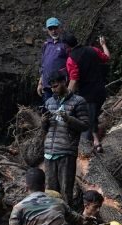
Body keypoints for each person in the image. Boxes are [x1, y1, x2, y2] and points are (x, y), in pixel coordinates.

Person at [42, 71, 88, 205]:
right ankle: (52, 218)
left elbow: (85, 125)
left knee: (65, 190)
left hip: (66, 152)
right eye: (51, 87)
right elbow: (45, 129)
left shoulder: (78, 101)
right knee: (50, 191)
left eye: (56, 86)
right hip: (49, 152)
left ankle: (67, 220)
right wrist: (44, 122)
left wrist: (68, 118)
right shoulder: (49, 102)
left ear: (64, 82)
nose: (53, 89)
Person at [62, 33, 110, 155]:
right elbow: (106, 57)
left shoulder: (71, 59)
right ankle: (93, 142)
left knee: (88, 119)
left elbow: (73, 80)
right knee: (92, 116)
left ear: (67, 46)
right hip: (101, 90)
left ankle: (92, 145)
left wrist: (66, 97)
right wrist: (103, 45)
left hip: (88, 94)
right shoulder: (92, 49)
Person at [37, 18, 69, 106]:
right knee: (48, 111)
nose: (53, 31)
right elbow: (43, 66)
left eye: (55, 28)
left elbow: (71, 64)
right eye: (50, 29)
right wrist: (40, 83)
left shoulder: (65, 44)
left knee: (62, 111)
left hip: (61, 85)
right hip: (47, 85)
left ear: (60, 28)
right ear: (47, 30)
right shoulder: (46, 44)